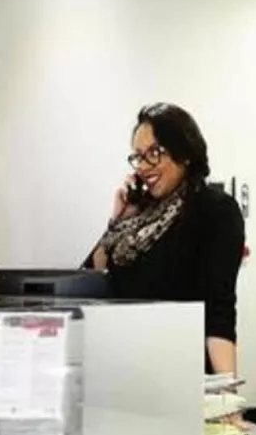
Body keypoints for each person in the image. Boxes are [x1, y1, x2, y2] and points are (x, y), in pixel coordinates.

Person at [85, 104, 244, 375]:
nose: (143, 167)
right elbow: (87, 284)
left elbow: (219, 313)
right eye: (138, 157)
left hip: (178, 373)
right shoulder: (137, 219)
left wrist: (227, 389)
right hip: (124, 368)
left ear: (184, 153)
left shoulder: (214, 210)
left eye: (154, 153)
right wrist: (118, 220)